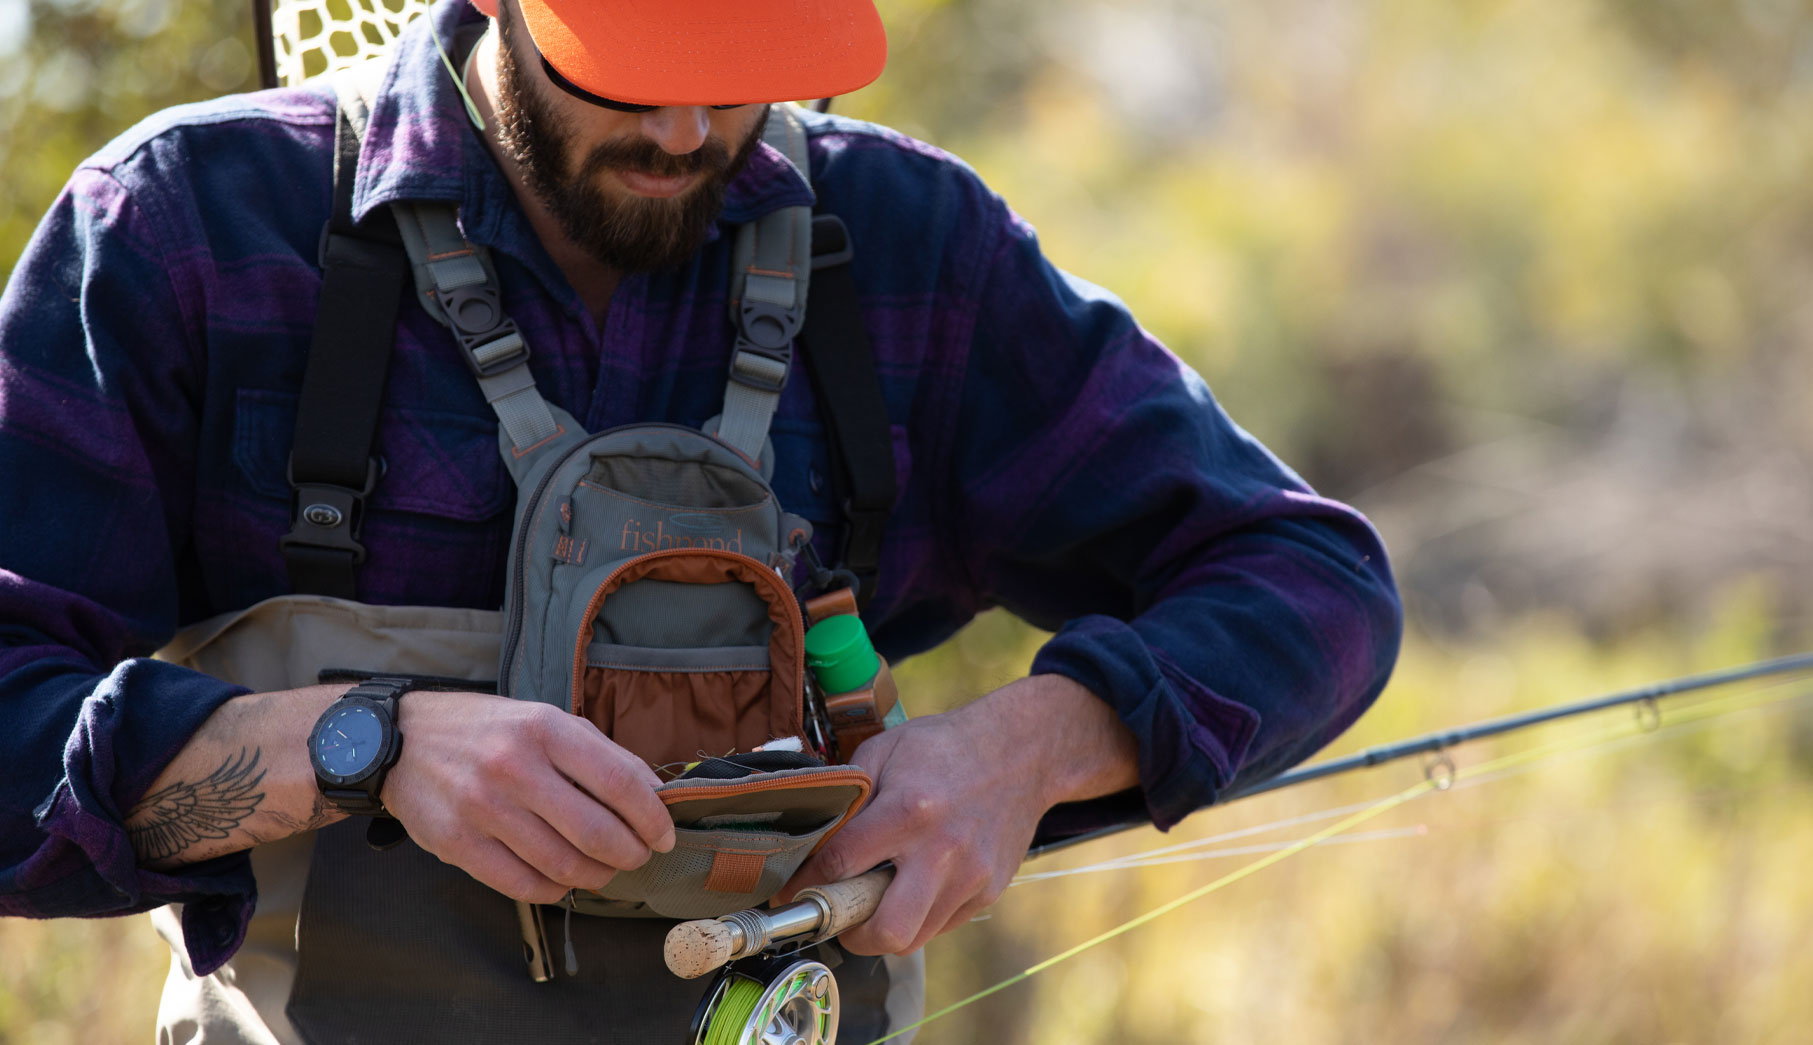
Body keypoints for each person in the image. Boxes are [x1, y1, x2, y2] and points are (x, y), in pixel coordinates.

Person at [0, 0, 1402, 1041]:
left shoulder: (915, 251)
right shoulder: (186, 230)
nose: (686, 132)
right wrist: (364, 743)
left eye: (739, 67)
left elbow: (1309, 578)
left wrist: (1029, 745)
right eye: (639, 68)